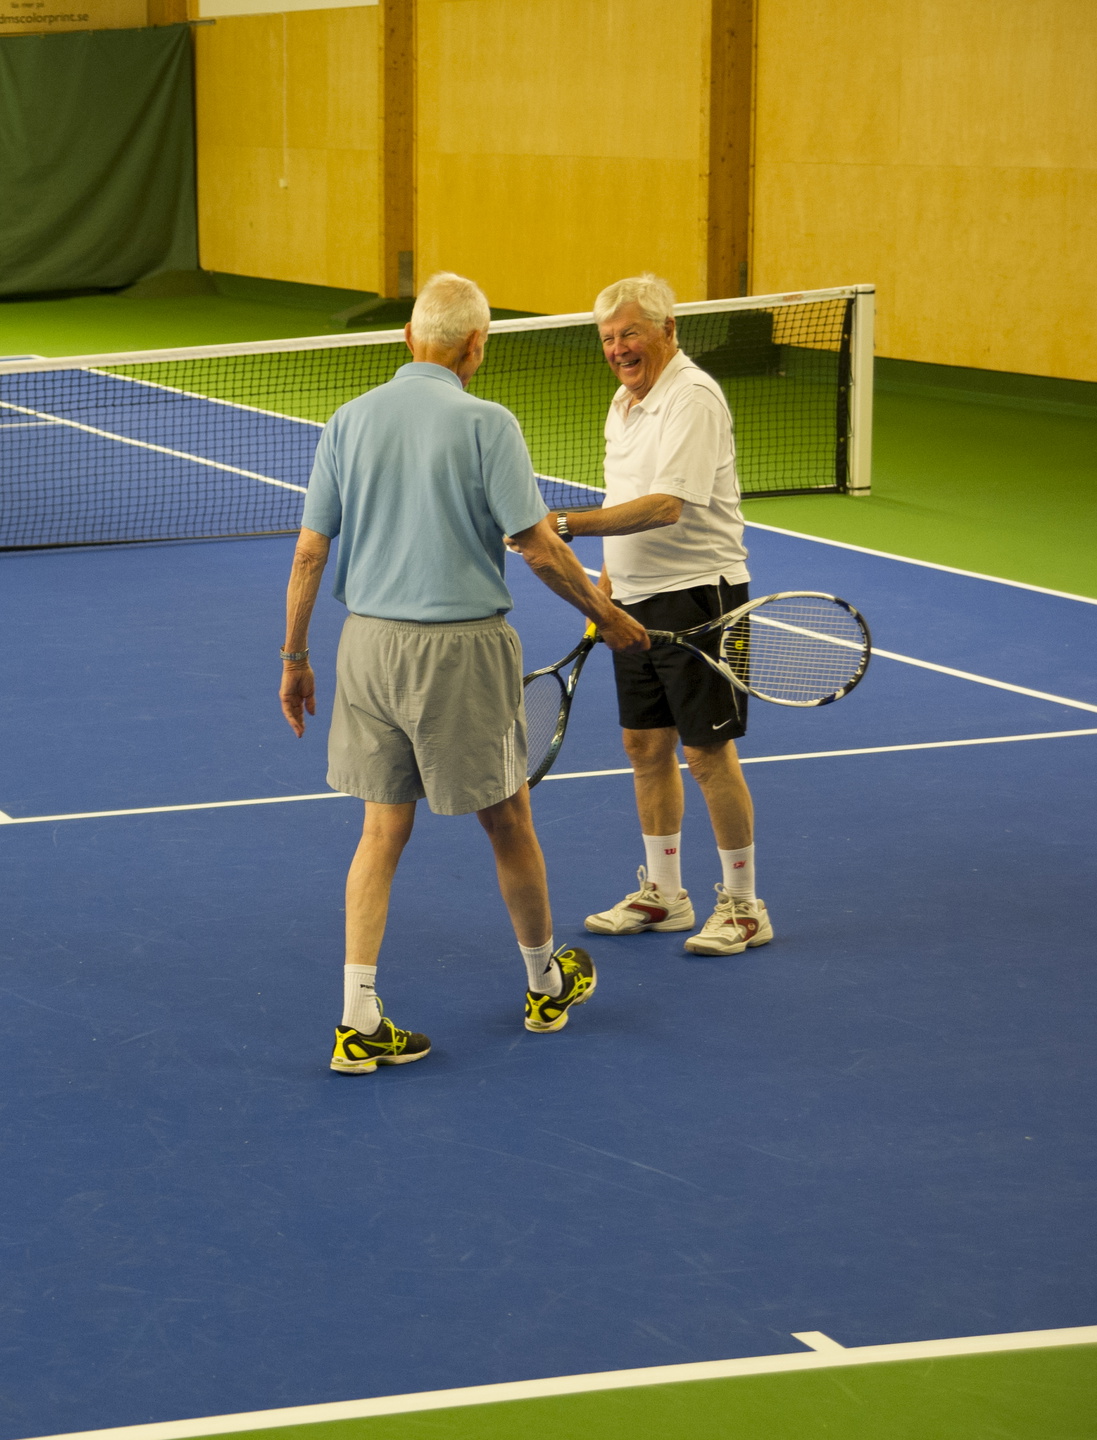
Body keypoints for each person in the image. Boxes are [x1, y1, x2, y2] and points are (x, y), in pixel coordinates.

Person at [279, 272, 648, 1075]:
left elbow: (311, 552)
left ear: (409, 339)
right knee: (507, 821)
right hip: (459, 650)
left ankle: (356, 1019)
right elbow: (539, 547)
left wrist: (296, 657)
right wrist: (609, 617)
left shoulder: (347, 419)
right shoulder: (488, 423)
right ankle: (546, 985)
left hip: (365, 646)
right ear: (476, 347)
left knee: (381, 830)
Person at [553, 273, 773, 957]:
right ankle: (664, 894)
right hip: (633, 602)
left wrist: (561, 523)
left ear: (667, 329)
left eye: (630, 334)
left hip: (699, 597)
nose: (618, 348)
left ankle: (742, 905)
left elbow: (665, 505)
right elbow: (625, 501)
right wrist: (603, 597)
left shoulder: (693, 397)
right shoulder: (623, 403)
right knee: (644, 748)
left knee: (707, 753)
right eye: (608, 338)